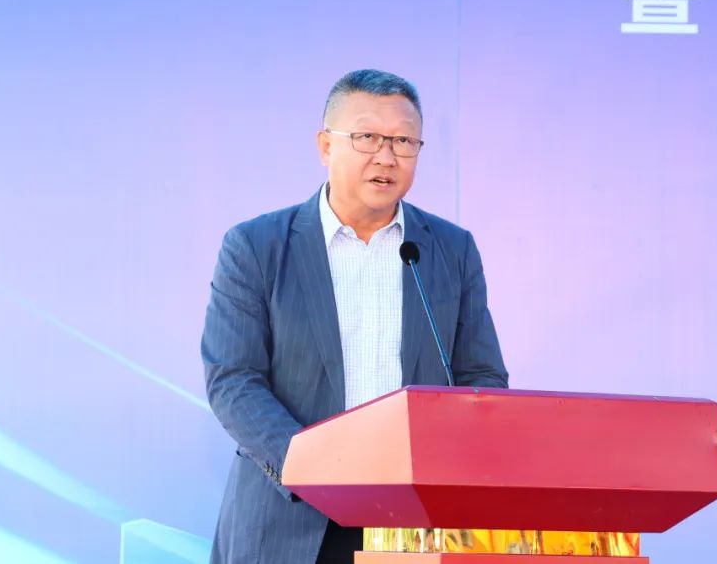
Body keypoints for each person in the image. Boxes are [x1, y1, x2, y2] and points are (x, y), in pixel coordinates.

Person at [202, 68, 509, 564]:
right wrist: (313, 466)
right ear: (326, 146)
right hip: (291, 517)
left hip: (415, 524)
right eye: (367, 137)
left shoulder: (451, 250)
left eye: (404, 141)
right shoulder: (256, 247)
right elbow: (233, 380)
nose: (386, 156)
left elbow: (482, 378)